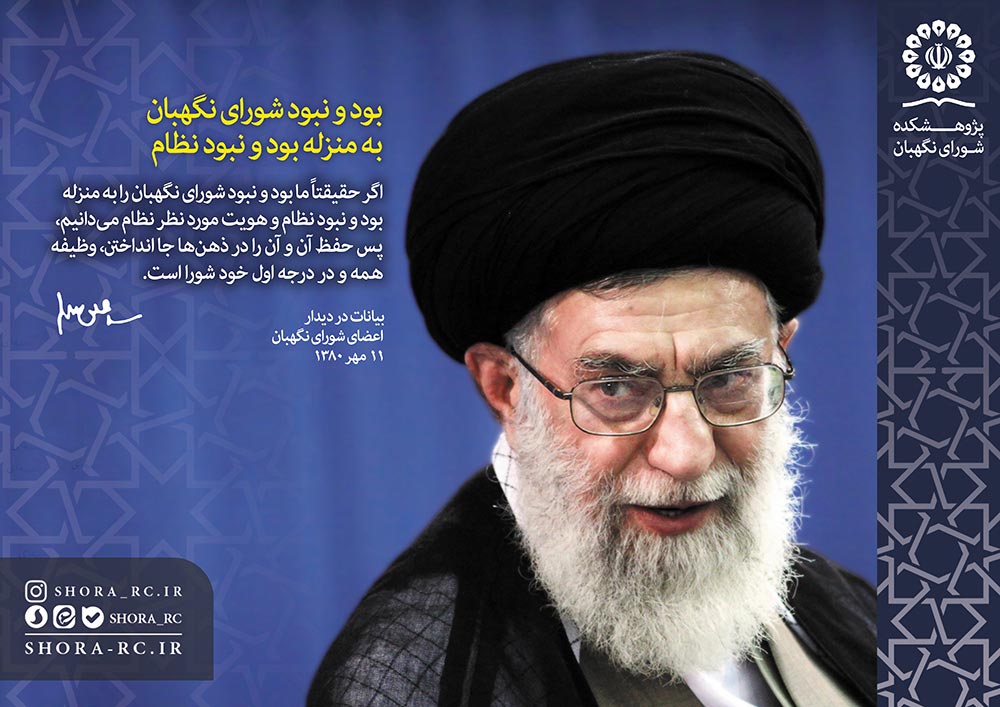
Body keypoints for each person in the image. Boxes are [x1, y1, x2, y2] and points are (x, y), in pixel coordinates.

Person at [309, 51, 875, 706]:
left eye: (729, 378)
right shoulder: (411, 682)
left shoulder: (854, 610)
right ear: (504, 387)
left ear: (782, 349)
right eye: (617, 389)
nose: (687, 454)